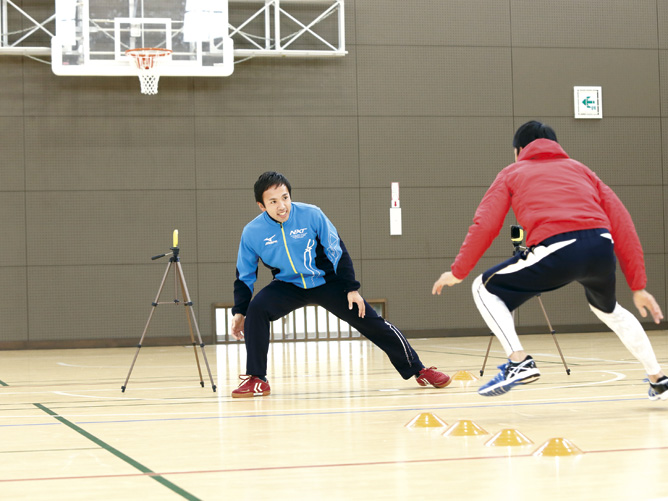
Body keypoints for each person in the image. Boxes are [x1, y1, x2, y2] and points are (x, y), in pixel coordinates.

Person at [432, 120, 667, 399]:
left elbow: (485, 224)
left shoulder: (512, 172)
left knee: (482, 288)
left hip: (559, 247)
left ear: (519, 150)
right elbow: (623, 223)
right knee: (609, 310)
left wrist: (458, 272)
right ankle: (658, 378)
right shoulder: (583, 171)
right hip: (602, 247)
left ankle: (518, 362)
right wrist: (638, 286)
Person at [231, 171, 451, 397]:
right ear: (261, 205)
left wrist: (351, 289)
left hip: (327, 281)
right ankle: (257, 378)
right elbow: (245, 275)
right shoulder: (252, 233)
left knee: (371, 321)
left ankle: (419, 370)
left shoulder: (312, 214)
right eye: (273, 201)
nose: (282, 206)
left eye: (285, 198)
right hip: (287, 284)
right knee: (256, 310)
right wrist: (240, 312)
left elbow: (336, 250)